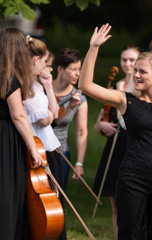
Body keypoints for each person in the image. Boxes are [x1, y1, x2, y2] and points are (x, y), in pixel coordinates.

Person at [78, 23, 152, 240]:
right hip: (132, 177)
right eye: (135, 70)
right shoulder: (125, 100)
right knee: (130, 233)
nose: (135, 75)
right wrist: (93, 48)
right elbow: (86, 85)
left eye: (141, 72)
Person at [92, 44, 141, 239]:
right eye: (124, 60)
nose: (128, 64)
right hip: (116, 143)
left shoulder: (142, 88)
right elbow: (97, 125)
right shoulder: (115, 87)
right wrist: (102, 126)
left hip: (135, 143)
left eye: (132, 60)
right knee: (115, 203)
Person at [0, 27, 44, 240]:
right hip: (6, 139)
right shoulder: (11, 79)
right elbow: (18, 116)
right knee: (9, 194)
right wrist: (33, 148)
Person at [23, 36, 67, 240]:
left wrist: (49, 86)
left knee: (56, 200)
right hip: (39, 151)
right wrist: (49, 114)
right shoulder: (25, 88)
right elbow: (44, 120)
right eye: (45, 63)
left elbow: (54, 114)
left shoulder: (38, 85)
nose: (46, 68)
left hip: (49, 148)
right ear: (35, 61)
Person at [52, 48, 88, 190]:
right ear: (60, 69)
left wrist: (79, 163)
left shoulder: (79, 98)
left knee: (57, 198)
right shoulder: (41, 90)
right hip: (37, 150)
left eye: (79, 69)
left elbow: (81, 132)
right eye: (73, 69)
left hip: (61, 152)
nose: (78, 74)